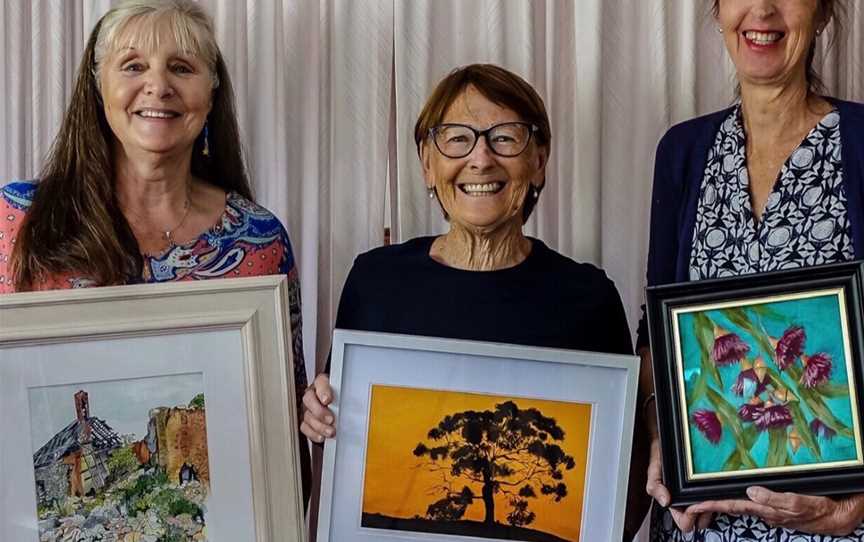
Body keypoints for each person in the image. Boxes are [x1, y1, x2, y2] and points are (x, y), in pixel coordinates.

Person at [301, 63, 650, 538]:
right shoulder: (375, 279)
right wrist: (320, 416)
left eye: (505, 137)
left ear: (540, 160)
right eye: (456, 138)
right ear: (427, 163)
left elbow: (622, 482)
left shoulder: (587, 297)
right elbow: (344, 449)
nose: (481, 158)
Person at [0, 0, 312, 502]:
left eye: (182, 67)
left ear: (210, 96)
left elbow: (284, 426)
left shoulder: (258, 240)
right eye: (133, 65)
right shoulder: (17, 221)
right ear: (98, 87)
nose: (158, 86)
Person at [639, 0, 864, 539]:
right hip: (702, 525)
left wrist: (852, 505)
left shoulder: (860, 142)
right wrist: (662, 438)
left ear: (823, 11)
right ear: (718, 10)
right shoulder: (682, 151)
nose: (762, 9)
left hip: (835, 529)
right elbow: (656, 335)